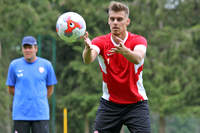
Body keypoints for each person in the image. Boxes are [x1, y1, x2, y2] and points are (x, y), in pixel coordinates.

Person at [82, 1, 151, 133]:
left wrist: (125, 51)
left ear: (127, 21)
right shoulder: (100, 42)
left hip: (136, 104)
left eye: (119, 19)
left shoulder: (138, 40)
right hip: (110, 104)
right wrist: (87, 49)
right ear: (108, 21)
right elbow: (88, 59)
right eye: (112, 19)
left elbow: (138, 58)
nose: (115, 22)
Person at [6, 36, 57, 133]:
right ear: (22, 49)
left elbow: (50, 88)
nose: (27, 50)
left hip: (40, 114)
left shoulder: (47, 65)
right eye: (25, 47)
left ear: (36, 48)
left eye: (30, 47)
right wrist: (23, 96)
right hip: (20, 114)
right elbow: (11, 88)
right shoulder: (14, 65)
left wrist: (38, 97)